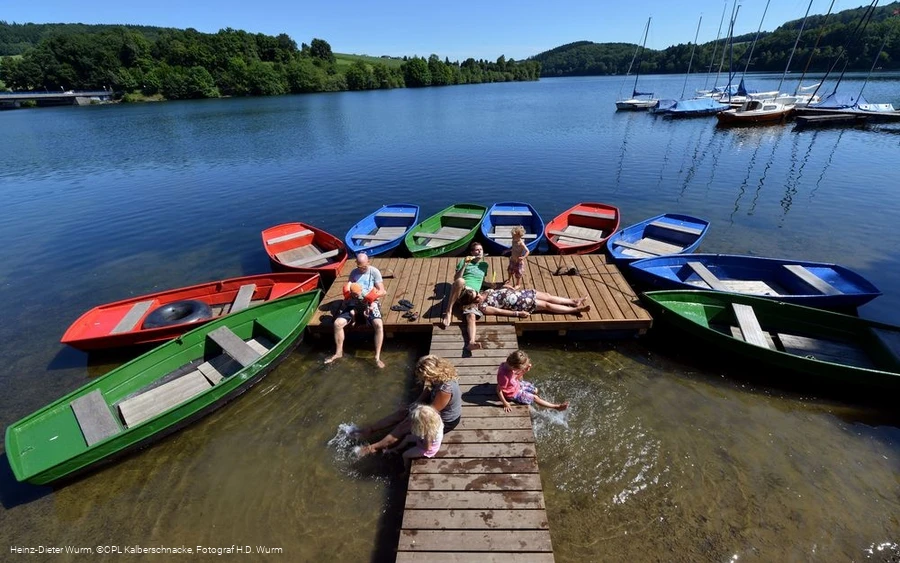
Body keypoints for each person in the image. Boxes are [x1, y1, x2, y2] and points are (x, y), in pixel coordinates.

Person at [353, 355, 461, 456]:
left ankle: (373, 448)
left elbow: (430, 414)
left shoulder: (445, 390)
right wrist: (415, 403)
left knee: (404, 425)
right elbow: (429, 390)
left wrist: (412, 415)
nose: (424, 379)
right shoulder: (440, 376)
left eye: (425, 376)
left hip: (445, 420)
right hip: (434, 407)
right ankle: (370, 429)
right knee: (403, 412)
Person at [325, 252, 387, 368]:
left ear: (368, 262)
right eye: (359, 266)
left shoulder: (374, 272)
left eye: (364, 266)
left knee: (378, 325)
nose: (361, 269)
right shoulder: (354, 273)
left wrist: (373, 296)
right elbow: (348, 287)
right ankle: (338, 352)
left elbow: (383, 291)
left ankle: (377, 357)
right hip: (354, 303)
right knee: (337, 323)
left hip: (370, 302)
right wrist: (349, 292)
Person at [438, 241, 494, 351]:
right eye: (477, 250)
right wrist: (465, 265)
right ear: (472, 252)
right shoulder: (464, 261)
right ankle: (448, 311)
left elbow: (480, 281)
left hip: (473, 296)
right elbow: (456, 278)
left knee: (471, 316)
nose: (479, 251)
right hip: (462, 291)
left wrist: (492, 285)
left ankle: (471, 342)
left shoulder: (484, 265)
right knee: (460, 281)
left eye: (481, 250)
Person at [457, 286, 590, 320]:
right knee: (547, 306)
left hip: (521, 294)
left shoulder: (484, 292)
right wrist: (517, 314)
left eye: (477, 293)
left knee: (548, 296)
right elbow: (500, 311)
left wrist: (508, 287)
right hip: (520, 304)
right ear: (472, 302)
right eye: (476, 298)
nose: (479, 296)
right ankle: (574, 310)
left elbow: (497, 291)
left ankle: (573, 301)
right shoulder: (483, 307)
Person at [497, 349, 569, 412]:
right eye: (520, 368)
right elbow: (498, 390)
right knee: (535, 398)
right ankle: (556, 407)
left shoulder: (507, 364)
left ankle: (539, 403)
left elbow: (515, 377)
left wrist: (524, 370)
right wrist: (505, 403)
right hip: (513, 393)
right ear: (514, 367)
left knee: (535, 390)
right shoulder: (504, 377)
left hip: (516, 385)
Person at [385, 404, 444, 469]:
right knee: (408, 437)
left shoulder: (428, 435)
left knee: (405, 455)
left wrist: (418, 442)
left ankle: (406, 471)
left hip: (429, 450)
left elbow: (427, 448)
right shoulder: (437, 418)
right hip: (428, 442)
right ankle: (395, 449)